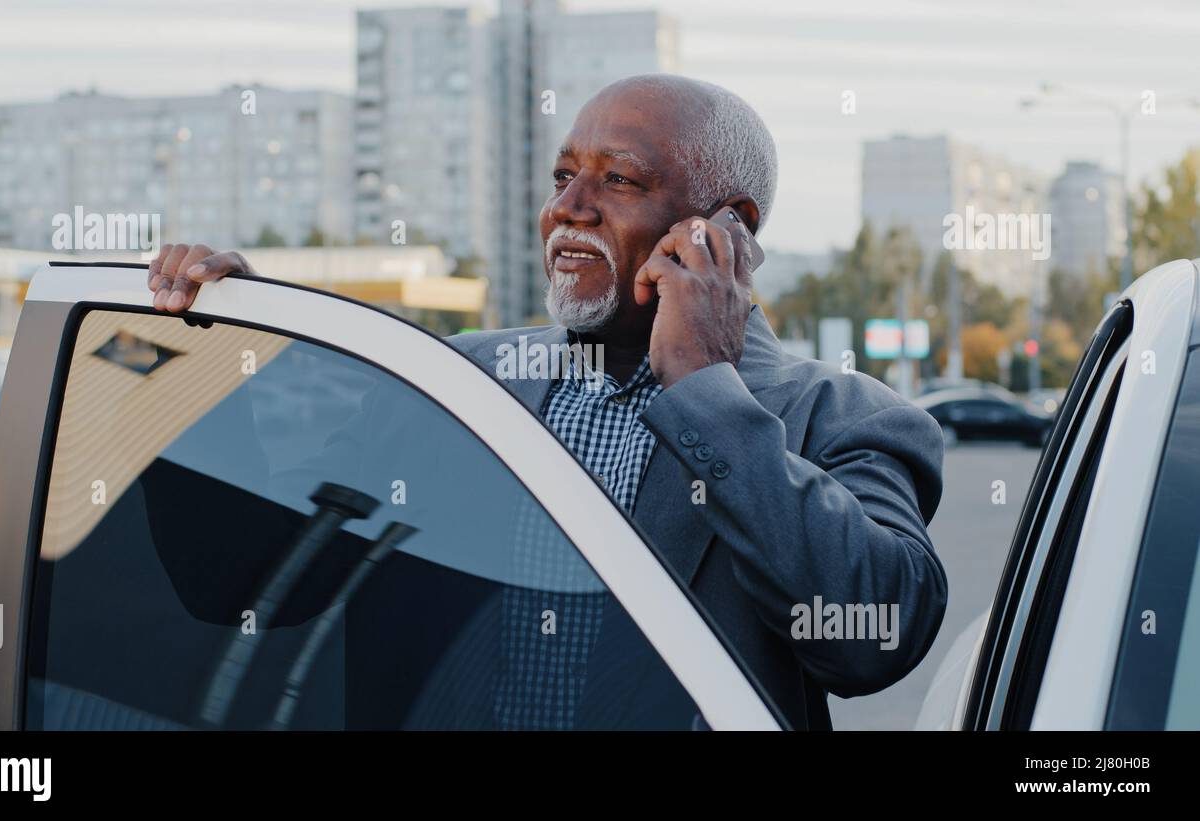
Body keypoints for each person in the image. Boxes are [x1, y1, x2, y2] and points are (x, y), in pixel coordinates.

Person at [146, 74, 947, 730]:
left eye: (619, 180)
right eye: (565, 176)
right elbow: (239, 582)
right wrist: (214, 352)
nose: (568, 207)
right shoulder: (452, 384)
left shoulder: (845, 415)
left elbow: (873, 638)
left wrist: (705, 388)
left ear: (726, 228)